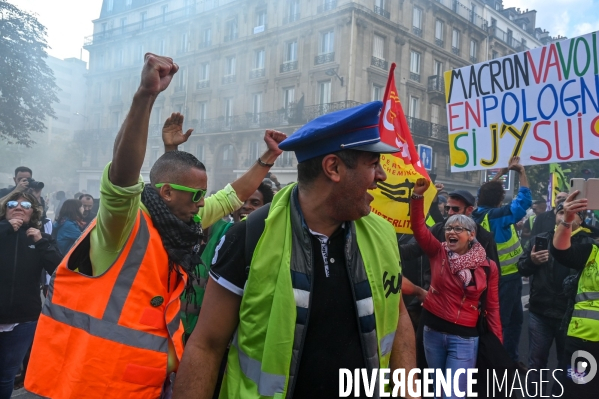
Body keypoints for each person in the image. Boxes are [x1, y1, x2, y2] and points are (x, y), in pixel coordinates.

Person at [25, 54, 286, 399]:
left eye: (202, 196)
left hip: (147, 387)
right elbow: (122, 175)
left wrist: (267, 158)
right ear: (165, 192)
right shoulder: (123, 224)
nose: (202, 203)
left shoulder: (183, 223)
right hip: (87, 386)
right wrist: (145, 97)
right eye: (196, 194)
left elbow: (231, 197)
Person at [173, 101, 416, 399]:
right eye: (372, 164)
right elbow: (206, 345)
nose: (381, 176)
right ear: (333, 167)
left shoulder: (383, 233)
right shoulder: (250, 237)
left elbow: (399, 316)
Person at [409, 178, 502, 398]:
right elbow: (419, 229)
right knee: (435, 390)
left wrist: (497, 343)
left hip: (464, 338)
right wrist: (417, 197)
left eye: (458, 228)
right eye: (449, 228)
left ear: (472, 235)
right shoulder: (437, 251)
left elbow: (493, 307)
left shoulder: (488, 267)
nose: (451, 231)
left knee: (453, 394)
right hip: (432, 330)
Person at [518, 202, 597, 396]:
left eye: (570, 214)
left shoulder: (588, 244)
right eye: (560, 212)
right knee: (536, 362)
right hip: (540, 311)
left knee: (566, 364)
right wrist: (532, 261)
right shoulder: (541, 239)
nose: (563, 217)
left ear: (581, 218)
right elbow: (522, 267)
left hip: (569, 316)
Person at [0, 192, 62, 399]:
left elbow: (59, 269)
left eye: (25, 204)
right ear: (5, 209)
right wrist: (6, 228)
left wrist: (41, 242)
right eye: (12, 204)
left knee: (6, 375)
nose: (18, 207)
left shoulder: (41, 238)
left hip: (24, 318)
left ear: (33, 212)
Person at [472, 156, 531, 362]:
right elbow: (524, 201)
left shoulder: (475, 214)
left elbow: (484, 192)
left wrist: (503, 173)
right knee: (505, 324)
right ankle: (501, 365)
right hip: (505, 279)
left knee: (511, 322)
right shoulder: (497, 216)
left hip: (500, 278)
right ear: (499, 200)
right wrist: (521, 172)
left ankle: (509, 361)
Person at [551, 191, 599, 398]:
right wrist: (567, 221)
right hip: (584, 341)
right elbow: (561, 251)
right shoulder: (592, 251)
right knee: (577, 391)